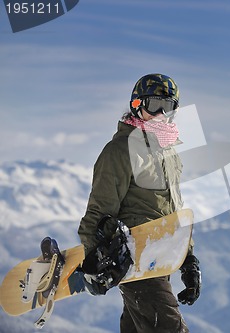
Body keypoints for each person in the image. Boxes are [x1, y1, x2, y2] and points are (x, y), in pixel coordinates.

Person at [78, 73, 201, 333]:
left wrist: (188, 260)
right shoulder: (120, 150)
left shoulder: (169, 152)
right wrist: (92, 258)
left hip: (162, 256)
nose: (160, 114)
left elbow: (174, 209)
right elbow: (99, 209)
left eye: (168, 107)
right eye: (154, 104)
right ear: (137, 104)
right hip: (135, 258)